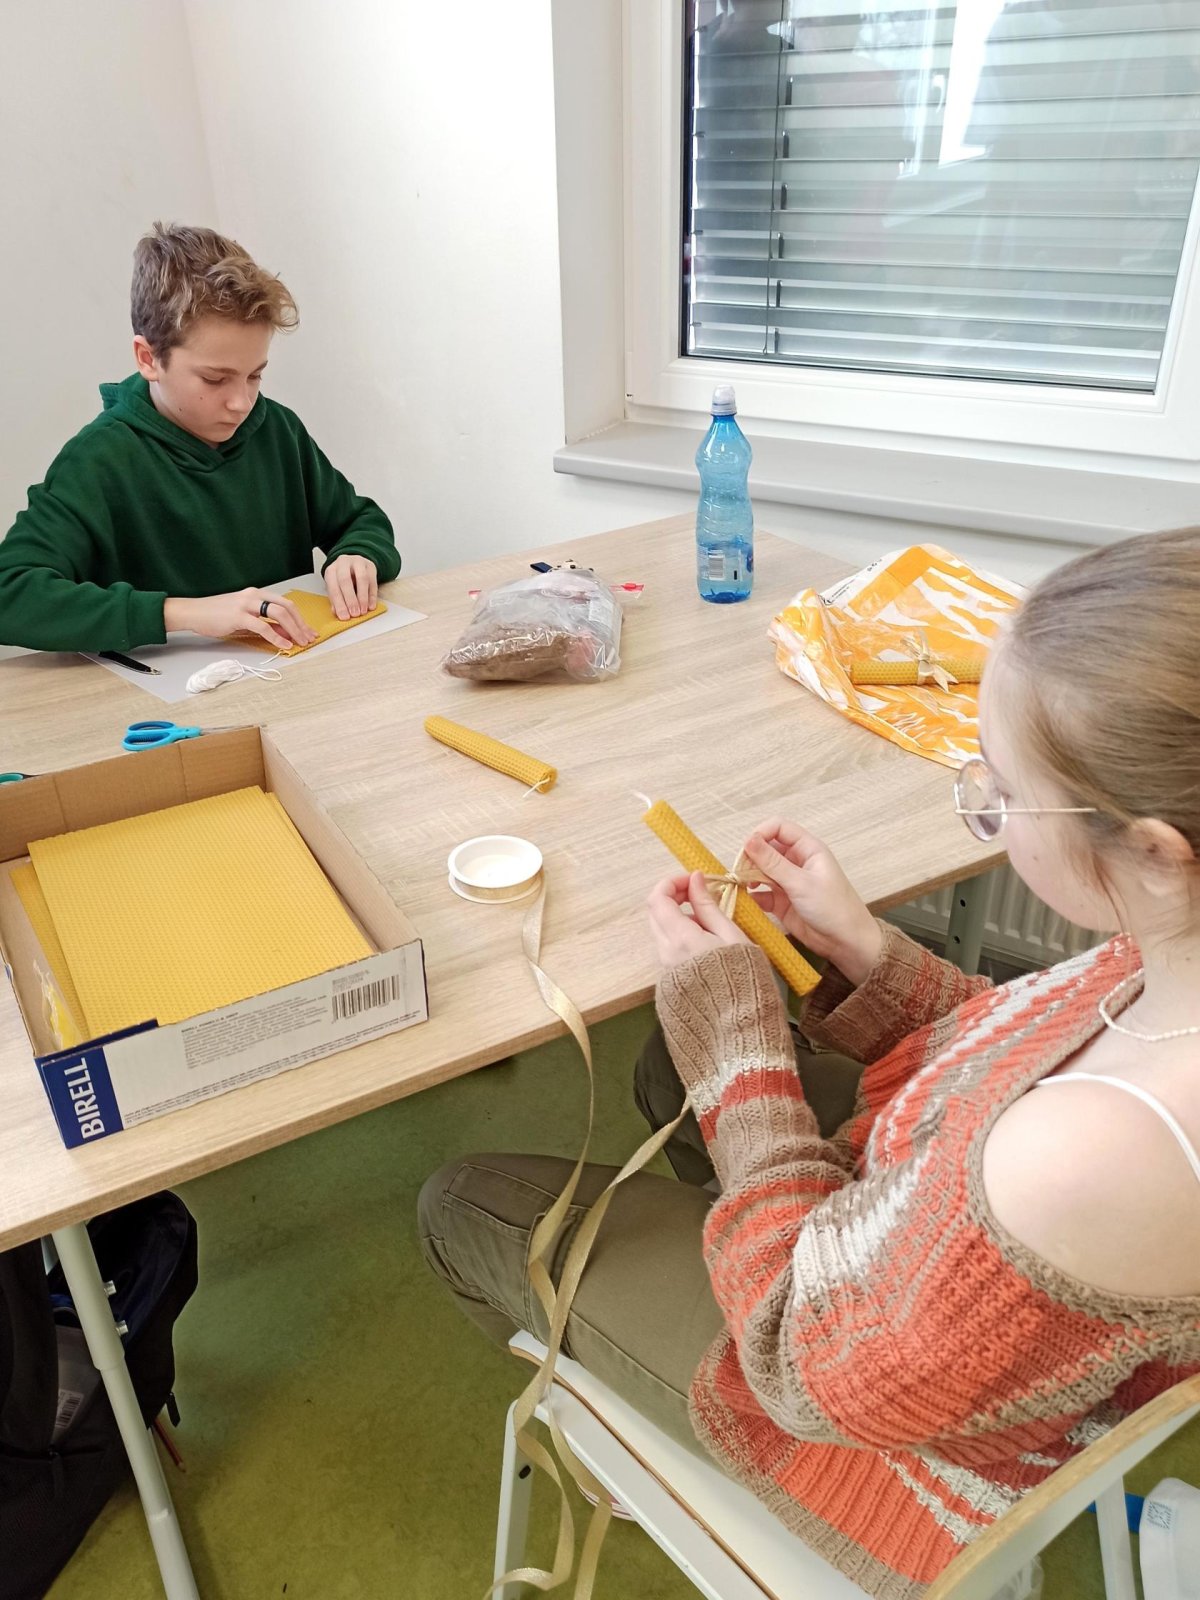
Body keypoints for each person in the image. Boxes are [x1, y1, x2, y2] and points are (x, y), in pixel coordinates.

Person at [419, 526, 1200, 1597]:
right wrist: (868, 955)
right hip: (930, 1293)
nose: (988, 806)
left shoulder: (1092, 1152)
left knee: (465, 1202)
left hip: (875, 1436)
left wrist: (740, 1048)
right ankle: (715, 1199)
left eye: (1006, 792)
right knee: (669, 1066)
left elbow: (802, 1361)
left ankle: (622, 1429)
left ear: (1155, 851)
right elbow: (1027, 1049)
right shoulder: (1169, 953)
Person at [0, 223, 399, 654]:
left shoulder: (277, 429)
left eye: (255, 375)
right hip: (166, 685)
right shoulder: (96, 461)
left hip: (287, 669)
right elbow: (10, 594)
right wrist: (183, 614)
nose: (241, 403)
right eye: (215, 378)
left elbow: (360, 521)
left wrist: (357, 554)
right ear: (148, 358)